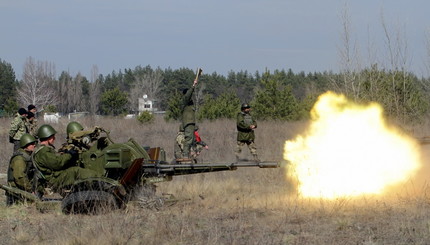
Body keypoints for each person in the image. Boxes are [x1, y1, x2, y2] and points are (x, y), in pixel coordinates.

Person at [32, 124, 102, 193]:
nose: (54, 139)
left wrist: (64, 154)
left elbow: (54, 160)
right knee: (75, 171)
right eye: (53, 137)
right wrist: (69, 154)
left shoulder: (42, 150)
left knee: (73, 169)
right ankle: (101, 181)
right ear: (48, 137)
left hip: (55, 176)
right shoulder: (43, 151)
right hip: (53, 180)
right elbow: (57, 163)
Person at [6, 134, 38, 205]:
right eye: (32, 144)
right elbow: (19, 177)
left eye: (34, 143)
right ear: (25, 144)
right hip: (16, 193)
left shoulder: (27, 156)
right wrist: (30, 190)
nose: (34, 145)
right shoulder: (19, 158)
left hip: (21, 190)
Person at [180, 78, 198, 159]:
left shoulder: (189, 104)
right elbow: (188, 95)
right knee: (188, 140)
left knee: (193, 140)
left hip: (191, 123)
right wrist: (193, 86)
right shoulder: (184, 100)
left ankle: (191, 155)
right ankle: (185, 156)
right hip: (188, 124)